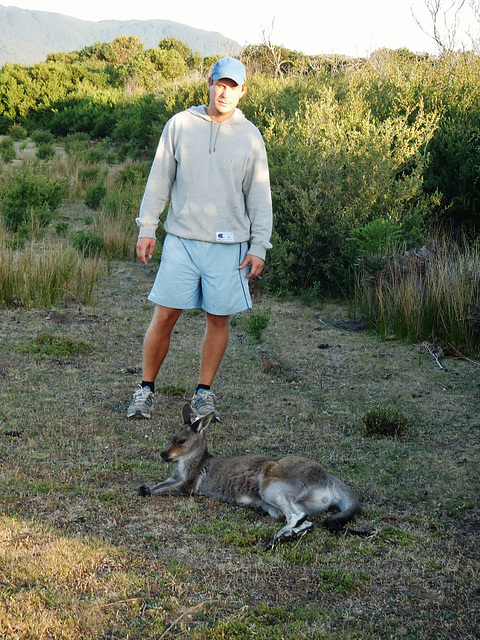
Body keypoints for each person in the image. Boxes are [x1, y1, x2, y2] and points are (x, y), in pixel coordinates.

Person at [127, 57, 273, 421]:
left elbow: (259, 196)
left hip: (229, 246)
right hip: (182, 240)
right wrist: (148, 228)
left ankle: (203, 395)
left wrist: (259, 246)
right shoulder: (179, 125)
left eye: (233, 86)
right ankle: (145, 390)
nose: (225, 92)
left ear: (242, 92)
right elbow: (159, 179)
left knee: (218, 320)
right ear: (209, 84)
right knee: (164, 316)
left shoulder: (250, 136)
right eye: (219, 84)